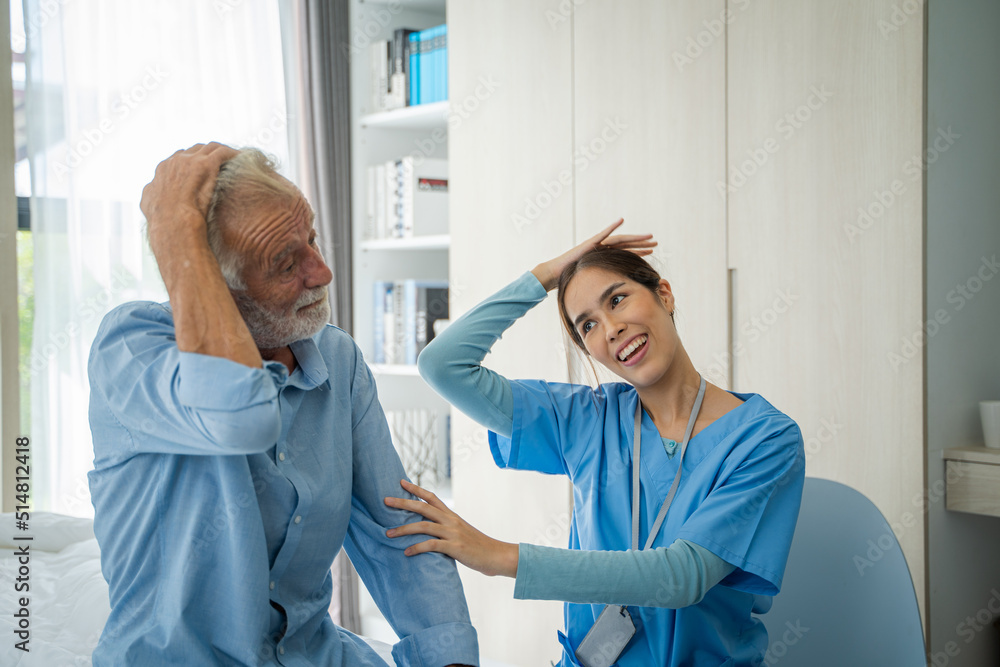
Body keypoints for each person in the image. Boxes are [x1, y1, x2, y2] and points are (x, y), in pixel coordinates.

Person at [87, 143, 478, 667]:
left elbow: (398, 532)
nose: (321, 274)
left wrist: (449, 660)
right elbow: (239, 414)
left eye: (311, 240)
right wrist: (175, 227)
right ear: (212, 283)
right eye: (285, 263)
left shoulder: (337, 358)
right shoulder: (131, 347)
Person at [384, 220, 805, 666]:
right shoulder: (588, 417)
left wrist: (498, 556)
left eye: (618, 300)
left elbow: (683, 577)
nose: (611, 328)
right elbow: (443, 365)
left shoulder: (765, 438)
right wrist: (546, 275)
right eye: (588, 325)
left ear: (664, 294)